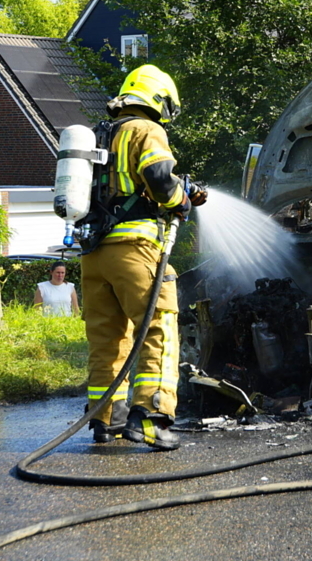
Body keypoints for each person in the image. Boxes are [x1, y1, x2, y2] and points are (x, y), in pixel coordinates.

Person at [80, 64, 207, 451]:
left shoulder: (101, 134)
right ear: (158, 99)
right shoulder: (147, 129)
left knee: (108, 340)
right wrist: (181, 200)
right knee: (159, 330)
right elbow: (158, 177)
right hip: (135, 250)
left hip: (93, 255)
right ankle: (151, 418)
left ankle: (106, 420)